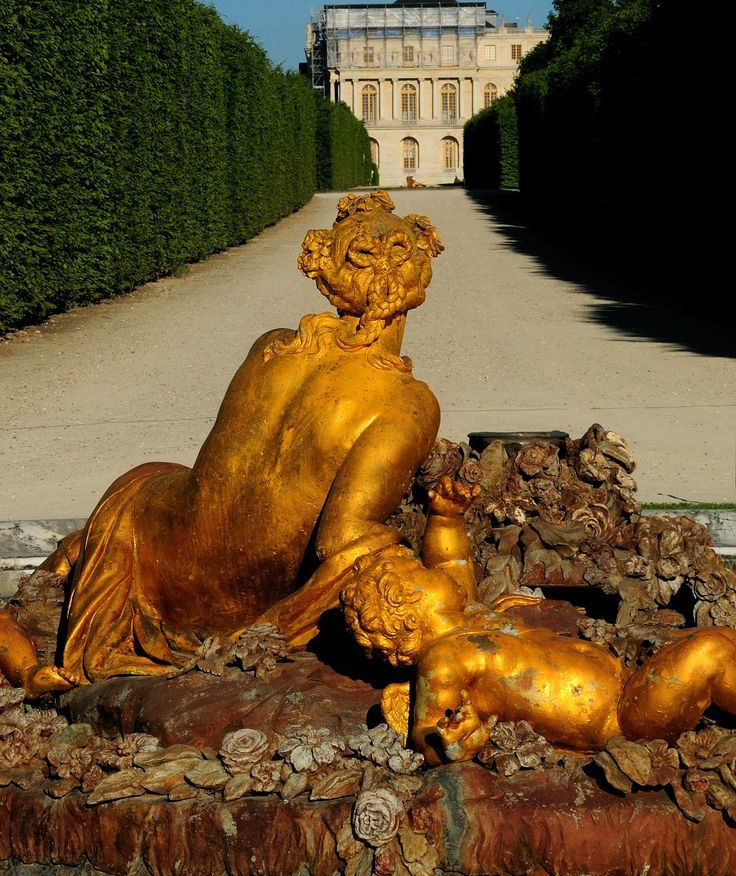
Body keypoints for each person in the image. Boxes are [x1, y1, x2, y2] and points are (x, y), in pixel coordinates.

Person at [1, 192, 444, 696]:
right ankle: (47, 601)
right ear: (417, 281)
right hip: (231, 609)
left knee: (146, 489)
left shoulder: (271, 346)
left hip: (157, 549)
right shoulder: (406, 404)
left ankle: (39, 603)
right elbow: (340, 540)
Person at [341, 477, 736, 765]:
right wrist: (451, 741)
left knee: (719, 637)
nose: (430, 568)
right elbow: (425, 734)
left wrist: (445, 518)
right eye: (419, 572)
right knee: (709, 652)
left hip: (626, 684)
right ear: (407, 612)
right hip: (620, 720)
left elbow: (452, 560)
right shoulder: (445, 659)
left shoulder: (468, 615)